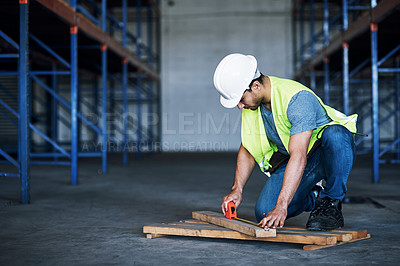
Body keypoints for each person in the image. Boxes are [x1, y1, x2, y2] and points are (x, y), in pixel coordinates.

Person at [213, 53, 357, 231]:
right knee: (265, 212)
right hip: (294, 160)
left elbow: (299, 155)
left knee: (336, 134)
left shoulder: (297, 98)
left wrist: (282, 205)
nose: (240, 106)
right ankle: (314, 195)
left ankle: (331, 201)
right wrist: (237, 189)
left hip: (323, 154)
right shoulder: (253, 106)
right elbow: (248, 148)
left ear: (256, 86)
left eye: (241, 99)